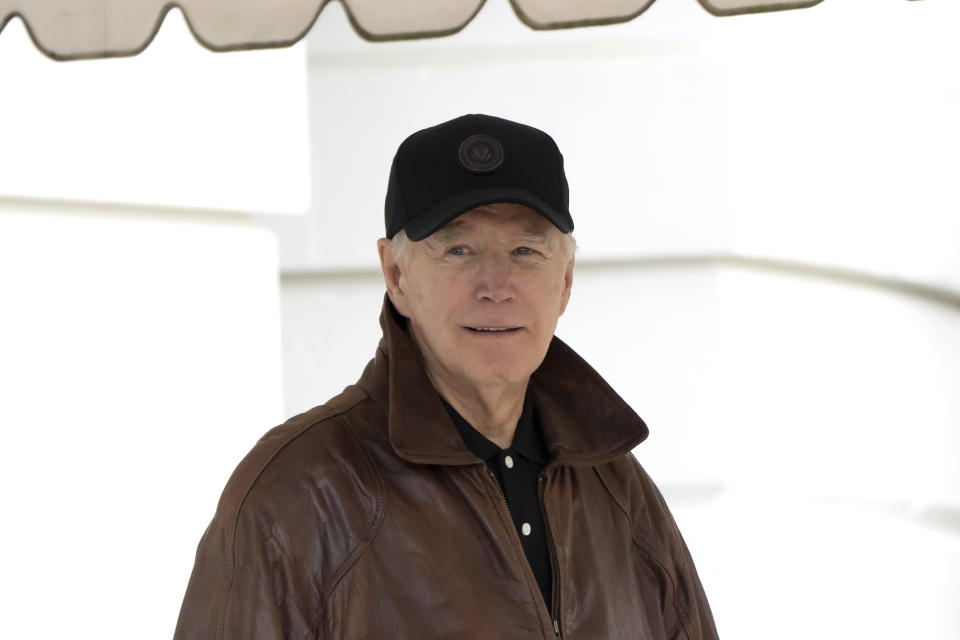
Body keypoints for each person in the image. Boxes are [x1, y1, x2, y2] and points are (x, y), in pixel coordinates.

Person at [174, 114, 719, 639]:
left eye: (526, 250)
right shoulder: (298, 494)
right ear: (396, 274)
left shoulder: (617, 488)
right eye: (458, 249)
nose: (496, 285)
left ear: (566, 281)